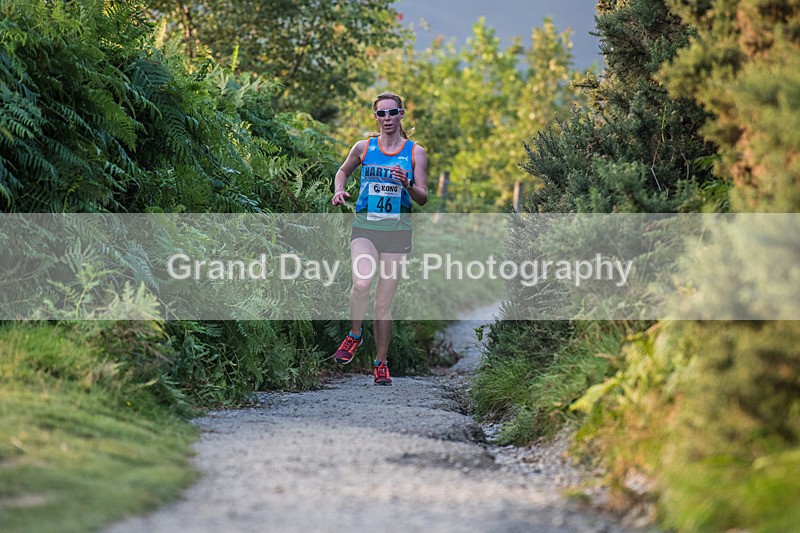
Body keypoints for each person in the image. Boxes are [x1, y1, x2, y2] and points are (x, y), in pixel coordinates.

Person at [331, 91, 428, 385]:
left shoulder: (415, 152)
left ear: (401, 114)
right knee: (361, 283)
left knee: (383, 304)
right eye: (381, 113)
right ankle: (355, 334)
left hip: (398, 233)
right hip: (366, 228)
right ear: (375, 117)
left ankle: (381, 363)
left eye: (392, 112)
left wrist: (407, 183)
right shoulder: (363, 147)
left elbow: (422, 197)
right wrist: (339, 190)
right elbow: (342, 171)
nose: (387, 118)